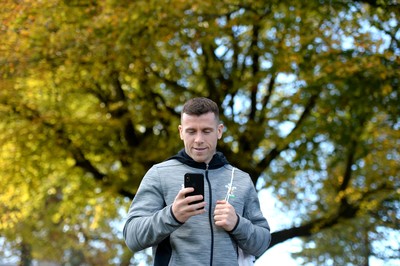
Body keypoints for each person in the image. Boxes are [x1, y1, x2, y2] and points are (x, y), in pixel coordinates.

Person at [123, 97, 271, 265]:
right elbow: (132, 237)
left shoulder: (241, 179)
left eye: (206, 131)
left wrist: (237, 224)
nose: (199, 139)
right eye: (191, 131)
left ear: (219, 131)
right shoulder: (159, 174)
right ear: (181, 132)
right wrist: (172, 215)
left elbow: (262, 243)